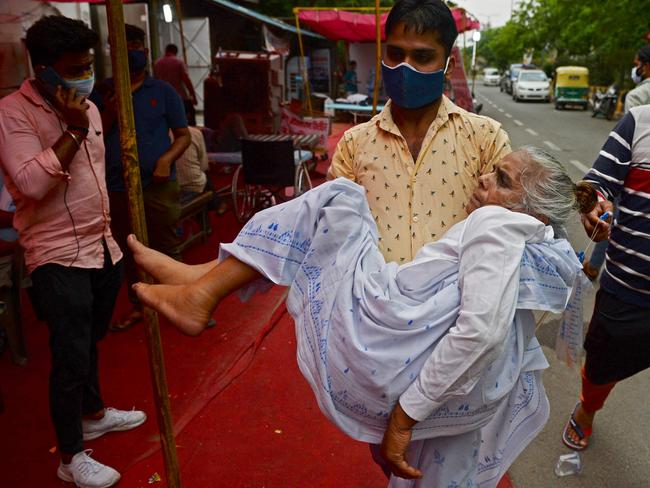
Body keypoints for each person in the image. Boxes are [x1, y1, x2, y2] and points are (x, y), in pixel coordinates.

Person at [127, 148, 596, 486]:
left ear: (526, 207)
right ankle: (201, 280)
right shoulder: (538, 244)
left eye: (502, 180)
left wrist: (404, 419)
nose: (483, 180)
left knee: (338, 202)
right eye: (492, 170)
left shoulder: (498, 224)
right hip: (436, 366)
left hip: (390, 330)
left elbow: (480, 331)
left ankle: (202, 289)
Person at [0, 16, 146, 488]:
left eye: (88, 64)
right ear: (43, 70)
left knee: (89, 338)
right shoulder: (12, 113)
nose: (85, 73)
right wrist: (75, 129)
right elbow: (30, 183)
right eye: (74, 67)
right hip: (56, 250)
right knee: (69, 354)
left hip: (100, 243)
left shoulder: (89, 105)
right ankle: (70, 455)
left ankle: (94, 412)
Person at [327, 0, 511, 265]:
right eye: (395, 53)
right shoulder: (353, 145)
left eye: (422, 57)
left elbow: (505, 234)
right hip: (372, 303)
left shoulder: (486, 140)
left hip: (459, 303)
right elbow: (334, 235)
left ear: (448, 65)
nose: (405, 67)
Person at [91, 24, 191, 331]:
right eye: (122, 46)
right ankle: (141, 306)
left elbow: (183, 136)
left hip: (158, 185)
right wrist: (108, 111)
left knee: (167, 246)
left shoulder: (162, 91)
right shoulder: (101, 92)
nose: (131, 51)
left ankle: (182, 303)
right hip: (118, 187)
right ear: (112, 52)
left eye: (136, 45)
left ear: (145, 51)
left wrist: (165, 160)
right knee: (130, 249)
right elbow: (91, 136)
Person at [562, 104, 650, 452]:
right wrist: (592, 203)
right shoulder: (640, 121)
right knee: (601, 365)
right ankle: (587, 410)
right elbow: (597, 183)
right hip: (627, 289)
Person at [584, 44, 650, 278]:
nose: (636, 69)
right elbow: (594, 184)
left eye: (637, 65)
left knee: (613, 218)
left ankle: (594, 265)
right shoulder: (638, 112)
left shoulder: (636, 100)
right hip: (626, 291)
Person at [154, 43, 198, 126]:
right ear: (176, 52)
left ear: (166, 51)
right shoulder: (179, 63)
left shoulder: (157, 64)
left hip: (163, 98)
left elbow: (155, 81)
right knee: (188, 119)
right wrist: (193, 96)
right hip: (180, 97)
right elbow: (186, 80)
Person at [624, 44, 650, 112]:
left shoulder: (634, 97)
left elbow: (632, 122)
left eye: (636, 65)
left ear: (646, 66)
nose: (635, 69)